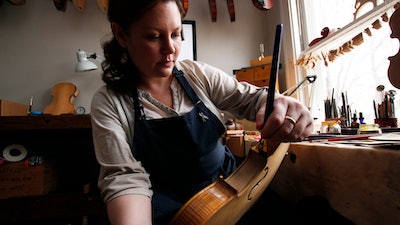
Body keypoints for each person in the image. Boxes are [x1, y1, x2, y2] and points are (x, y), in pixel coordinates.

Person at [90, 0, 313, 225]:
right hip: (160, 212)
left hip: (228, 198)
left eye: (176, 34)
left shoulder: (197, 74)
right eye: (154, 37)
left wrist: (280, 105)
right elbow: (126, 180)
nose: (170, 49)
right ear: (121, 35)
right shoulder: (110, 102)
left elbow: (252, 99)